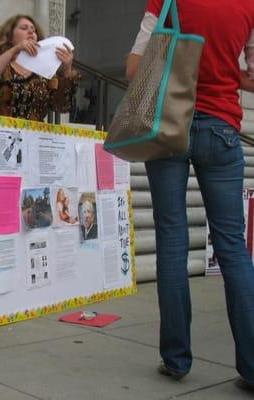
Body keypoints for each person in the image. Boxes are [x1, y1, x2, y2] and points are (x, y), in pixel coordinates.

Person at [126, 0, 254, 391]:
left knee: (170, 240)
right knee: (233, 247)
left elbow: (134, 70)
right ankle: (251, 367)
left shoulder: (166, 1)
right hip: (221, 128)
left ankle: (176, 359)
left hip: (168, 125)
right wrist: (227, 72)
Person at [0, 14, 80, 121]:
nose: (31, 32)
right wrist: (16, 49)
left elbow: (61, 106)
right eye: (24, 28)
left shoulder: (44, 72)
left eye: (34, 30)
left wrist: (67, 70)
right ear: (10, 37)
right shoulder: (3, 65)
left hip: (33, 136)